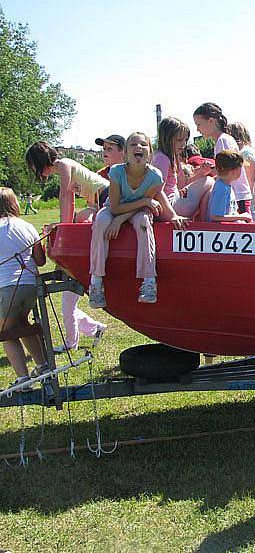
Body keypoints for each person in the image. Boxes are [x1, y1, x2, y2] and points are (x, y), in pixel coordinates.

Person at [25, 141, 108, 351]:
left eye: (33, 166)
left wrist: (63, 226)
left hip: (106, 197)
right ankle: (91, 329)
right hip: (97, 202)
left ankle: (73, 341)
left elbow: (66, 196)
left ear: (40, 161)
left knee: (80, 224)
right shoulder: (63, 167)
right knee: (79, 220)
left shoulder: (63, 165)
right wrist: (64, 224)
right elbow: (70, 200)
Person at [88, 133, 186, 308]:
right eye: (133, 144)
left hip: (139, 210)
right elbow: (115, 207)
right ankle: (96, 281)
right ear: (125, 152)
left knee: (143, 222)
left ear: (150, 153)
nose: (138, 147)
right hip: (115, 207)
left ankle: (149, 281)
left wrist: (120, 221)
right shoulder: (116, 171)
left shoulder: (155, 176)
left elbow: (143, 205)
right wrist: (144, 202)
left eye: (143, 144)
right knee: (102, 221)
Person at [0, 188, 49, 389]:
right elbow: (40, 260)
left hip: (6, 287)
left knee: (5, 332)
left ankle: (23, 379)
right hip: (30, 286)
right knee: (22, 323)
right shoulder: (27, 225)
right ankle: (43, 366)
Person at [193, 102, 252, 214]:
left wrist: (205, 172)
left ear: (211, 121)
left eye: (199, 124)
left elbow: (226, 168)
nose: (197, 129)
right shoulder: (223, 140)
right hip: (235, 195)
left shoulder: (223, 141)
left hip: (236, 196)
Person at [152, 117, 213, 221]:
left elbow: (182, 184)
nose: (183, 144)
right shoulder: (162, 159)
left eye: (185, 140)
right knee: (210, 181)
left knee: (209, 183)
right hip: (169, 208)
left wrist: (201, 173)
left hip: (173, 204)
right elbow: (157, 191)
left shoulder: (173, 157)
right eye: (179, 140)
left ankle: (202, 220)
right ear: (167, 138)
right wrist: (172, 216)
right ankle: (203, 221)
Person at [207, 150, 254, 223]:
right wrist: (242, 216)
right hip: (222, 232)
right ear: (234, 171)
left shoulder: (226, 186)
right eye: (241, 168)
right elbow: (215, 216)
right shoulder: (222, 189)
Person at [228, 122, 255, 221]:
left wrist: (246, 200)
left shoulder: (247, 153)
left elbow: (250, 179)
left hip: (247, 199)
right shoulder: (241, 152)